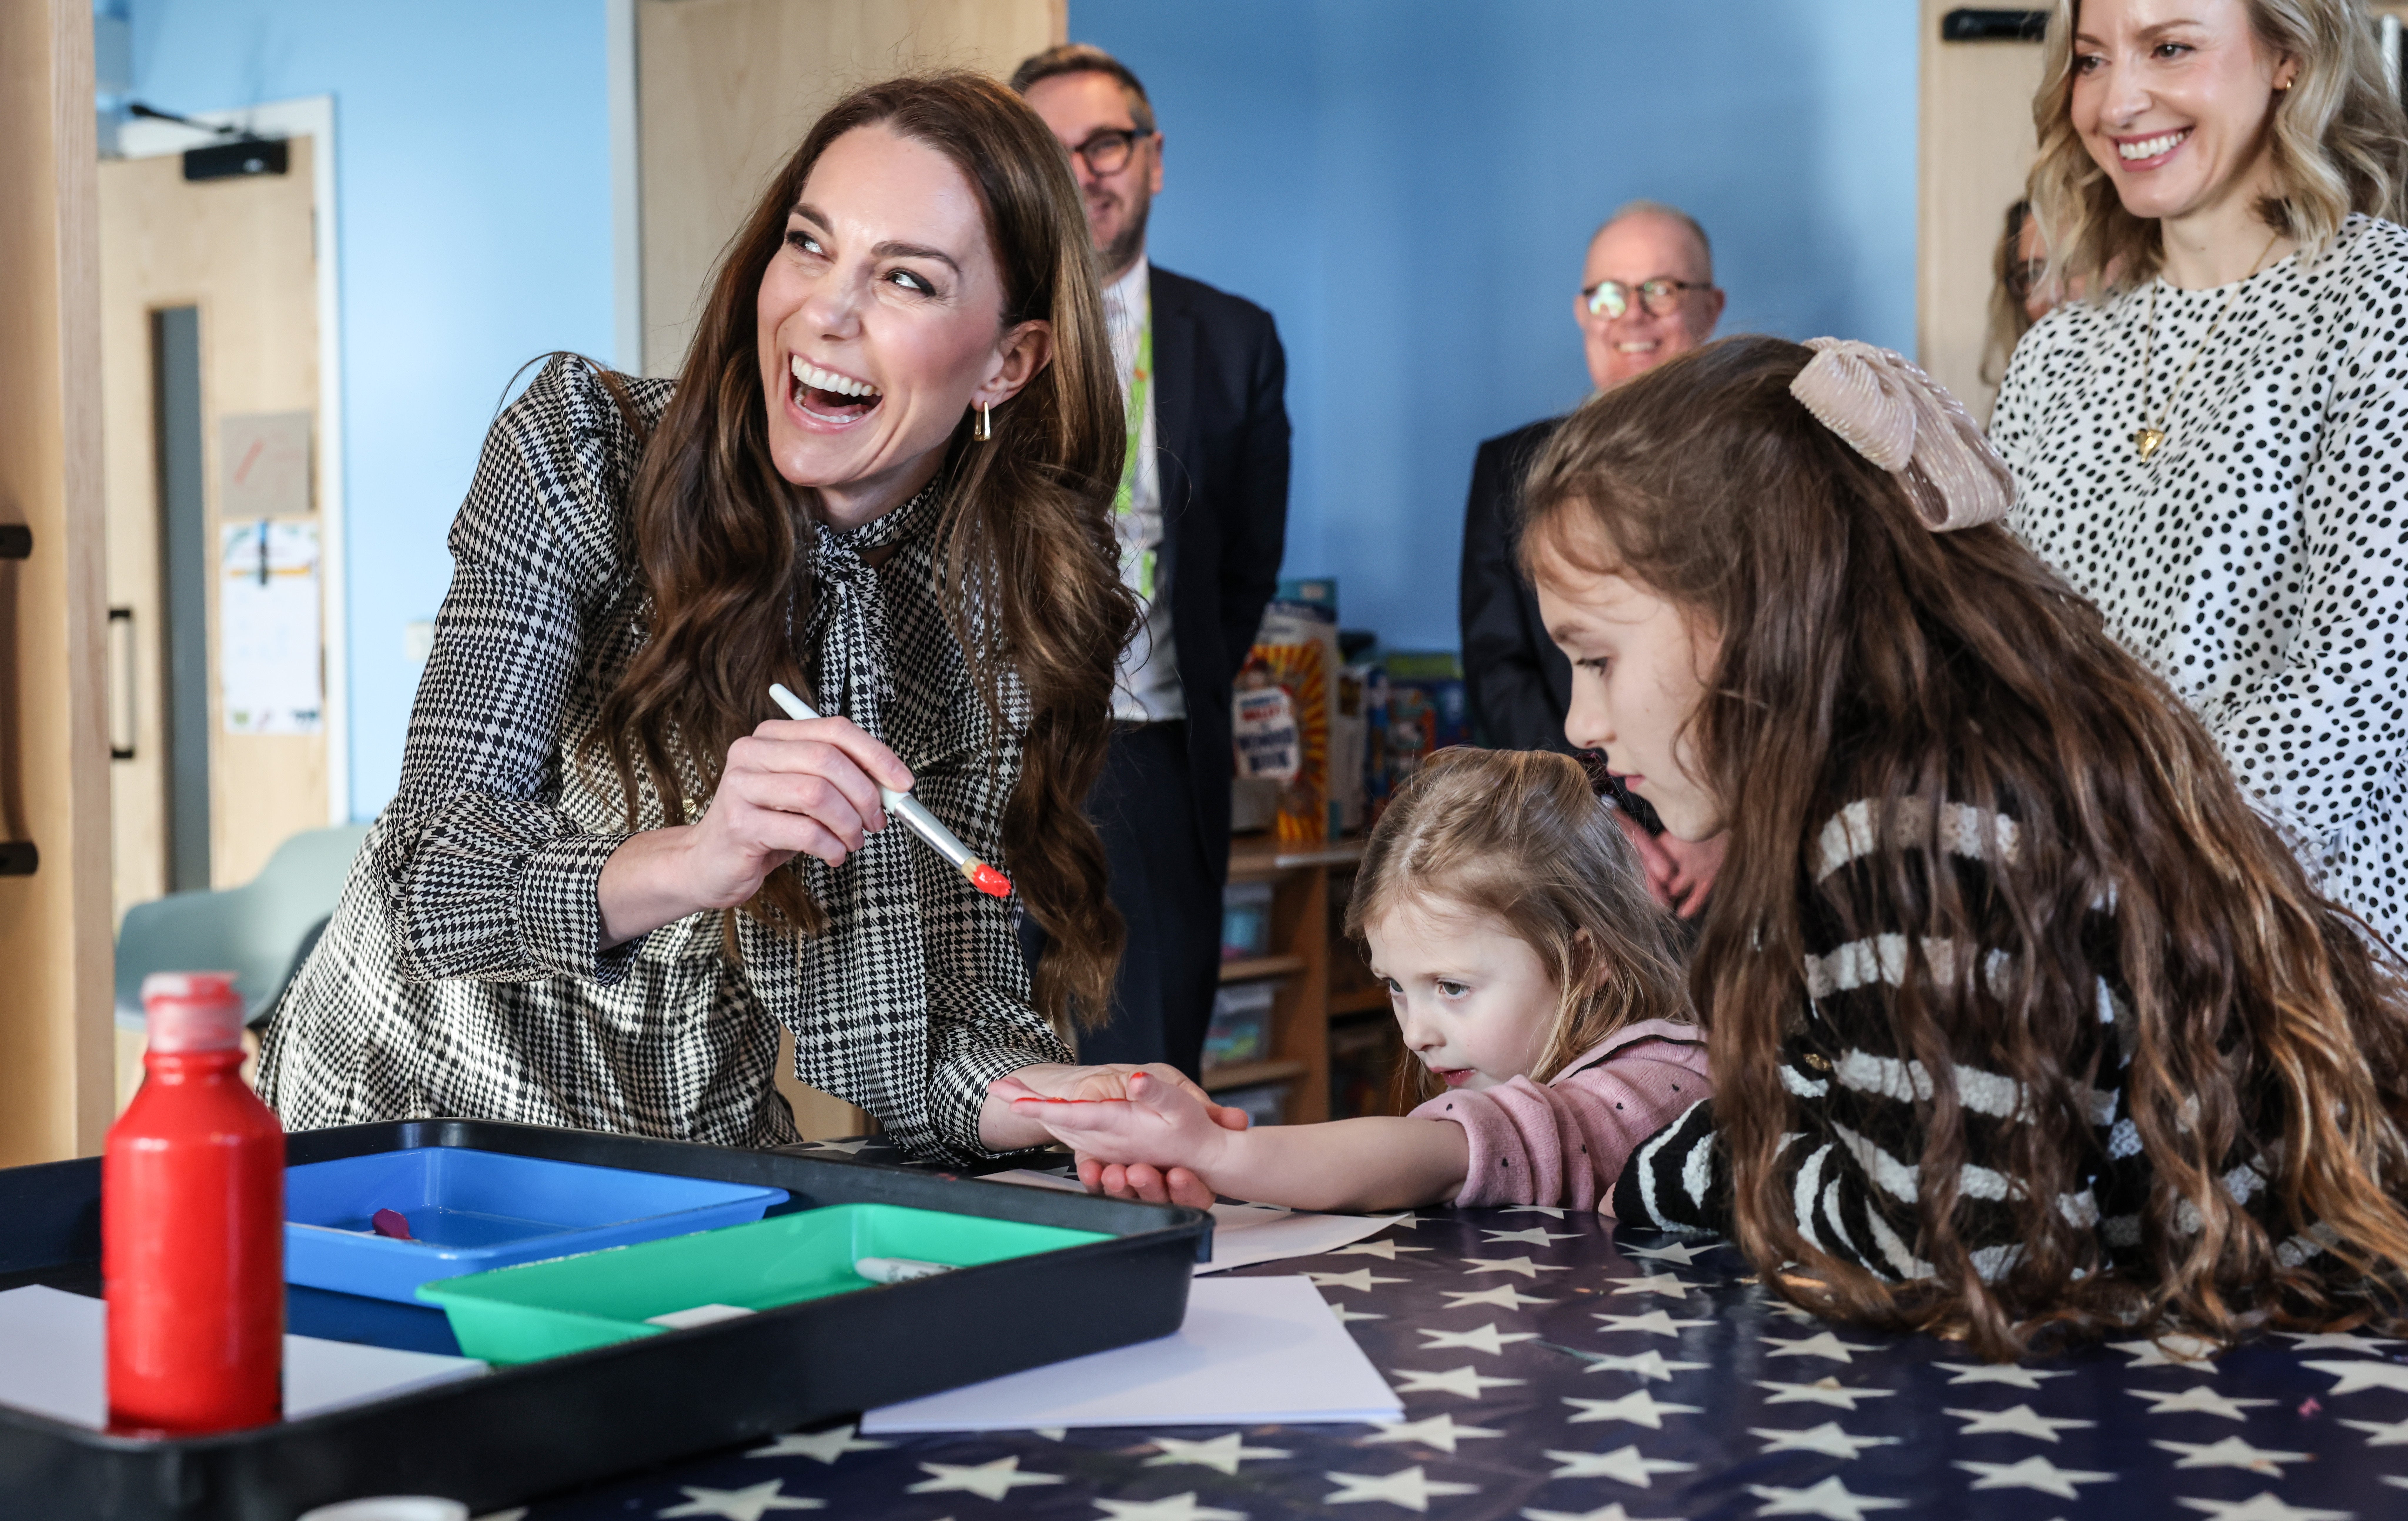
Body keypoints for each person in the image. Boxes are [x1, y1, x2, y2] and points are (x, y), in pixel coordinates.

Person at [260, 74, 1233, 1161]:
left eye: (905, 278)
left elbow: (927, 1035)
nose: (826, 308)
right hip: (404, 1130)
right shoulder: (582, 456)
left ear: (1007, 362)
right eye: (809, 245)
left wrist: (1087, 1107)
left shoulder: (996, 601)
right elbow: (437, 877)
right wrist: (699, 858)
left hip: (679, 1152)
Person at [1521, 334, 2408, 1359]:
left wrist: (1702, 1166)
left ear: (1757, 613)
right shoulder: (1941, 779)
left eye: (1597, 658)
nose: (1580, 723)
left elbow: (1959, 1248)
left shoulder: (1904, 834)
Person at [1991, 0, 2408, 946]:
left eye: (2170, 49)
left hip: (2305, 962)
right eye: (2092, 61)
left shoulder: (2381, 303)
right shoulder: (2057, 356)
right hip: (2070, 974)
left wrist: (2106, 887)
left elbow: (2350, 703)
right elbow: (2003, 671)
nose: (2120, 100)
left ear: (2289, 58)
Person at [997, 748, 1704, 1213]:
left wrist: (1215, 1152)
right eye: (1396, 986)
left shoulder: (1661, 1079)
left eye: (1451, 987)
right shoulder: (1507, 1058)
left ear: (1585, 960)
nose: (1416, 1031)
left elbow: (1447, 1152)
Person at [1010, 44, 1292, 1076]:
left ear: (1153, 159)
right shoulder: (970, 323)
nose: (1084, 171)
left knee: (1150, 1063)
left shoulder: (1235, 338)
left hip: (1159, 754)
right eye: (1052, 149)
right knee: (972, 1071)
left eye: (1107, 144)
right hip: (1000, 749)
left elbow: (1248, 562)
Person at [1459, 201, 1727, 917]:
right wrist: (1595, 816)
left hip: (1736, 850)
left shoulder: (1758, 466)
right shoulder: (1510, 468)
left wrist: (1722, 819)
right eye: (1608, 295)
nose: (1631, 317)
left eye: (1660, 291)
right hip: (1570, 842)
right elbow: (1500, 669)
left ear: (1711, 307)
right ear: (1582, 313)